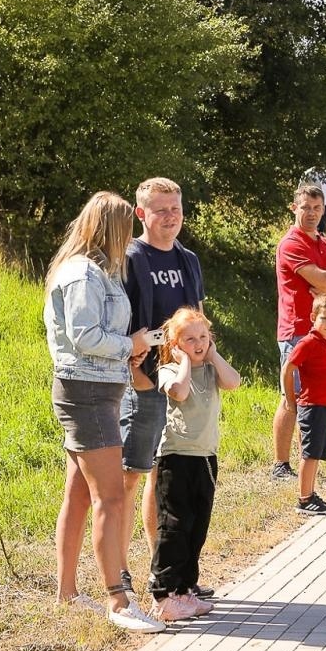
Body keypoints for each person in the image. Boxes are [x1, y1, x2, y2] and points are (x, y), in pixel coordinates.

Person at [44, 191, 164, 633]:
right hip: (88, 392)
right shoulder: (82, 274)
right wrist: (128, 347)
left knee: (79, 492)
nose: (130, 236)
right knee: (111, 498)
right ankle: (118, 598)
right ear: (110, 228)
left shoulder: (99, 272)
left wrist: (126, 354)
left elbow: (99, 335)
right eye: (125, 227)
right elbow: (83, 335)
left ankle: (68, 593)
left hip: (100, 388)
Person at [120, 177, 206, 594]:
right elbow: (124, 324)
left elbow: (199, 318)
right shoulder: (131, 258)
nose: (170, 217)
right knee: (134, 475)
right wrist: (139, 381)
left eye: (175, 208)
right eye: (160, 210)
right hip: (144, 382)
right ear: (141, 214)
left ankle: (166, 572)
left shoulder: (189, 259)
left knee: (168, 476)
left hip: (185, 383)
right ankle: (121, 575)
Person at [151, 307, 241, 622]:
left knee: (197, 527)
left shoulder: (212, 368)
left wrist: (213, 356)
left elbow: (233, 382)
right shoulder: (168, 370)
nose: (199, 343)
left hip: (205, 457)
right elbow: (179, 391)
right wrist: (184, 362)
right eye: (190, 339)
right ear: (175, 344)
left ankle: (185, 589)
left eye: (203, 336)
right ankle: (164, 594)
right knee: (176, 525)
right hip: (176, 457)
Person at [272, 184, 326, 481]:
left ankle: (306, 461)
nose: (311, 213)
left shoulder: (325, 243)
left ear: (323, 211)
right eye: (305, 207)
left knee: (313, 397)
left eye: (317, 208)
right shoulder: (291, 244)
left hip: (325, 332)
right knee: (291, 396)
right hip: (297, 330)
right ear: (294, 208)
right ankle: (280, 464)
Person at [283, 296, 326, 513]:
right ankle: (304, 499)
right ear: (312, 317)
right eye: (324, 318)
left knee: (316, 453)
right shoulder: (307, 342)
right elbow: (288, 368)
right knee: (309, 454)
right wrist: (291, 399)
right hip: (312, 406)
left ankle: (310, 492)